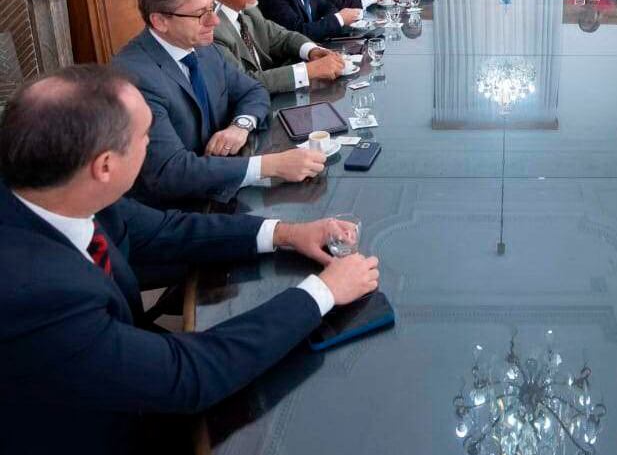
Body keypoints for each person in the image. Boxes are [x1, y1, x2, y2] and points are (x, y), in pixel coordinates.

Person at [0, 65, 380, 454]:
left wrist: (288, 233)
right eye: (145, 136)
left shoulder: (60, 190)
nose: (153, 144)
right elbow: (188, 376)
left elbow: (168, 230)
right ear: (105, 166)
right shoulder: (32, 293)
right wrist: (323, 291)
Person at [112, 0, 326, 208]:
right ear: (160, 21)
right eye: (201, 14)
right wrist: (269, 165)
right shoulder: (133, 77)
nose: (214, 20)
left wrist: (240, 126)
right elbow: (172, 171)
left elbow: (253, 90)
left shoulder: (203, 48)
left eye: (212, 8)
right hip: (181, 212)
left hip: (227, 187)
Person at [201, 0, 346, 94]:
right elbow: (243, 82)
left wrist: (312, 51)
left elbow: (283, 37)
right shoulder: (211, 29)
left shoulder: (249, 10)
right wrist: (308, 71)